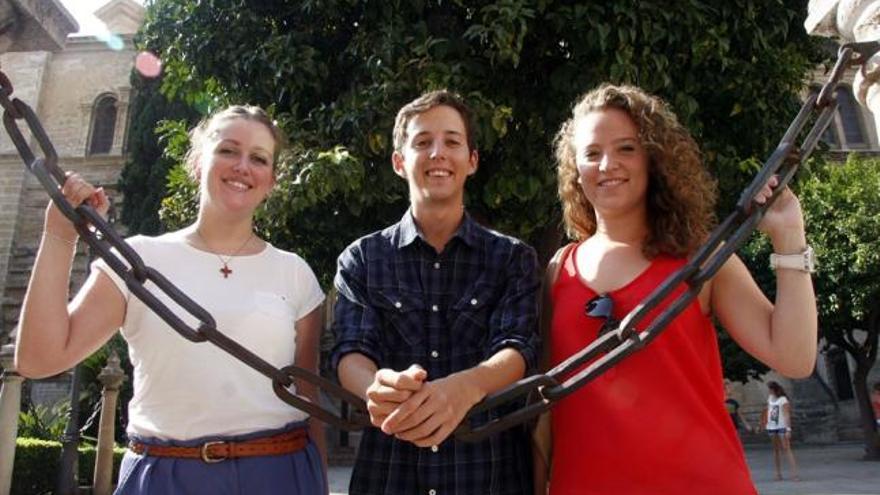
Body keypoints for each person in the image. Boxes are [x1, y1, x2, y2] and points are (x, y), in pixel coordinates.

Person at [15, 105, 328, 494]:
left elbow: (309, 397)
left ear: (272, 180)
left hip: (278, 473)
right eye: (228, 150)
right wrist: (60, 236)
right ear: (198, 162)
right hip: (165, 475)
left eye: (259, 158)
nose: (242, 166)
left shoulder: (294, 272)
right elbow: (38, 358)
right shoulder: (138, 259)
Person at [540, 84, 817, 494]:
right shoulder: (557, 271)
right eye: (592, 152)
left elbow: (793, 358)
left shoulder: (701, 260)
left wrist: (789, 236)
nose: (607, 164)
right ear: (574, 168)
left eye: (626, 149)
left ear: (654, 159)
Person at [331, 89, 540, 495]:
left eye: (452, 141)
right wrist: (378, 385)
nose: (437, 153)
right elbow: (350, 350)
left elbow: (518, 348)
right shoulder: (362, 258)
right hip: (389, 474)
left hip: (488, 474)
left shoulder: (512, 258)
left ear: (472, 160)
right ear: (399, 161)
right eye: (422, 142)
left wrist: (466, 386)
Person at [761, 381, 800, 481]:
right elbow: (767, 411)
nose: (768, 391)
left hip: (782, 426)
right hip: (772, 427)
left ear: (773, 389)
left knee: (787, 449)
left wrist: (788, 429)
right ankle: (778, 474)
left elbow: (786, 414)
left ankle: (794, 474)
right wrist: (764, 423)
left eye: (769, 389)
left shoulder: (783, 400)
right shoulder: (770, 399)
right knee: (776, 450)